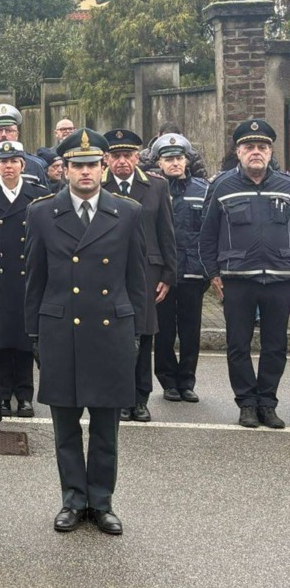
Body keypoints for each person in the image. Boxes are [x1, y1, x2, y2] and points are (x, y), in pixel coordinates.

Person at [26, 129, 147, 535]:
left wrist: (137, 334)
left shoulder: (127, 212)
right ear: (63, 170)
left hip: (111, 332)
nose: (85, 172)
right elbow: (34, 280)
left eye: (92, 165)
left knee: (105, 428)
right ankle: (73, 501)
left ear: (104, 168)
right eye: (76, 165)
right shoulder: (42, 212)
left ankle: (102, 502)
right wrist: (34, 335)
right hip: (61, 330)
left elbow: (137, 279)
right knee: (64, 429)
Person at [199, 119, 290, 429]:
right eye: (249, 147)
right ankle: (246, 404)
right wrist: (213, 273)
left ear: (270, 151)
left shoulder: (286, 186)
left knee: (276, 346)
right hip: (236, 280)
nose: (256, 152)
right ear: (238, 151)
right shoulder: (222, 186)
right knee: (238, 345)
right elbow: (207, 234)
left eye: (262, 147)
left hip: (280, 279)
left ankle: (267, 402)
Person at [103, 129, 176, 423]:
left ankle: (140, 398)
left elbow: (166, 232)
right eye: (116, 156)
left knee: (144, 335)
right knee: (115, 335)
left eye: (127, 155)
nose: (122, 161)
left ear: (137, 157)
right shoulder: (100, 186)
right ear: (106, 159)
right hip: (109, 271)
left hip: (147, 270)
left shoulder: (156, 187)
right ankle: (120, 397)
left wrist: (169, 274)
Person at [0, 140, 52, 417]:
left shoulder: (37, 195)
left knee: (26, 339)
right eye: (3, 162)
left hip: (28, 277)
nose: (8, 166)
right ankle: (2, 393)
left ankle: (25, 395)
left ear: (23, 165)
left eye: (14, 161)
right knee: (1, 339)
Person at [151, 133, 209, 403]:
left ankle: (187, 380)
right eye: (168, 159)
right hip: (163, 273)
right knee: (163, 330)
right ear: (159, 163)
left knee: (190, 330)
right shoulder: (153, 189)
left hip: (193, 271)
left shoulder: (203, 189)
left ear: (187, 161)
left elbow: (209, 232)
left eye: (179, 158)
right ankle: (167, 381)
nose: (175, 163)